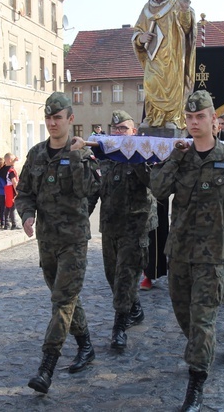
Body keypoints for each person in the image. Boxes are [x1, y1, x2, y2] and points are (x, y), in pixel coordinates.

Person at [151, 91, 224, 412]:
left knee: (203, 321)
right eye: (189, 118)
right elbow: (158, 190)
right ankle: (201, 351)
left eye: (200, 117)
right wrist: (174, 157)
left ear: (214, 121)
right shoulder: (182, 158)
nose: (193, 123)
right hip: (179, 254)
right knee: (184, 315)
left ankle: (196, 383)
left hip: (214, 256)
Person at [16, 92, 101, 394]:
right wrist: (27, 215)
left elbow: (88, 189)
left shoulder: (82, 153)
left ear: (70, 119)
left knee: (61, 301)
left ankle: (47, 366)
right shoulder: (37, 154)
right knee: (63, 297)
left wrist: (78, 157)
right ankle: (86, 345)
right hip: (47, 241)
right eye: (49, 118)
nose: (53, 123)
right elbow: (24, 192)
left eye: (58, 118)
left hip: (74, 241)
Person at [89, 110, 157, 351]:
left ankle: (119, 326)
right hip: (109, 225)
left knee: (126, 276)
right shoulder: (105, 157)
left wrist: (137, 157)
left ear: (134, 132)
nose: (119, 133)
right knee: (112, 276)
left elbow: (155, 184)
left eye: (124, 129)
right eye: (115, 129)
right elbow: (95, 190)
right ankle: (134, 308)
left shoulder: (144, 154)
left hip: (135, 226)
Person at [132, 0, 196, 129]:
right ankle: (152, 117)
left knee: (172, 87)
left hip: (173, 58)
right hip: (153, 59)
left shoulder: (176, 3)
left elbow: (187, 27)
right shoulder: (146, 9)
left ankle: (172, 118)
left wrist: (185, 11)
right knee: (150, 84)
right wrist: (140, 38)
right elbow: (137, 31)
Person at [2, 153, 20, 230]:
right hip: (11, 190)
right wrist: (17, 192)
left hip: (8, 189)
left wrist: (15, 159)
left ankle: (6, 224)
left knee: (8, 207)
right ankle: (13, 224)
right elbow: (14, 182)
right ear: (9, 160)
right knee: (12, 207)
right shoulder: (11, 171)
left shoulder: (7, 169)